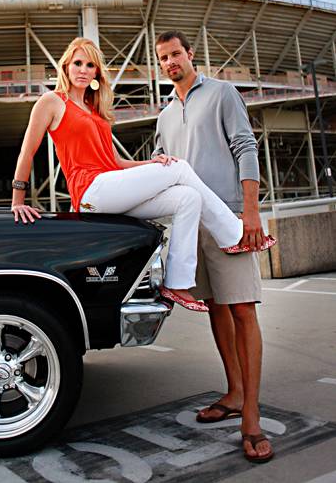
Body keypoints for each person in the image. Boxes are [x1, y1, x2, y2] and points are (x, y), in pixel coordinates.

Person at [12, 37, 245, 312]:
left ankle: (178, 283)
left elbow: (113, 161)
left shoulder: (96, 111)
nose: (83, 70)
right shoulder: (52, 102)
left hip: (110, 187)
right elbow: (28, 151)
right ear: (66, 66)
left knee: (187, 197)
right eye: (77, 63)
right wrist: (18, 199)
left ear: (97, 73)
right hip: (90, 193)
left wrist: (151, 163)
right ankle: (233, 234)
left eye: (90, 65)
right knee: (180, 168)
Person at [153, 30, 275, 464]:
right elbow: (159, 166)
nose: (171, 63)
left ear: (191, 55)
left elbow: (245, 146)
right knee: (218, 309)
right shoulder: (165, 115)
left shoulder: (222, 93)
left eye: (176, 54)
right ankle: (236, 392)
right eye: (163, 58)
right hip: (191, 224)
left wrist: (250, 212)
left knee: (243, 307)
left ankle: (253, 419)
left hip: (227, 216)